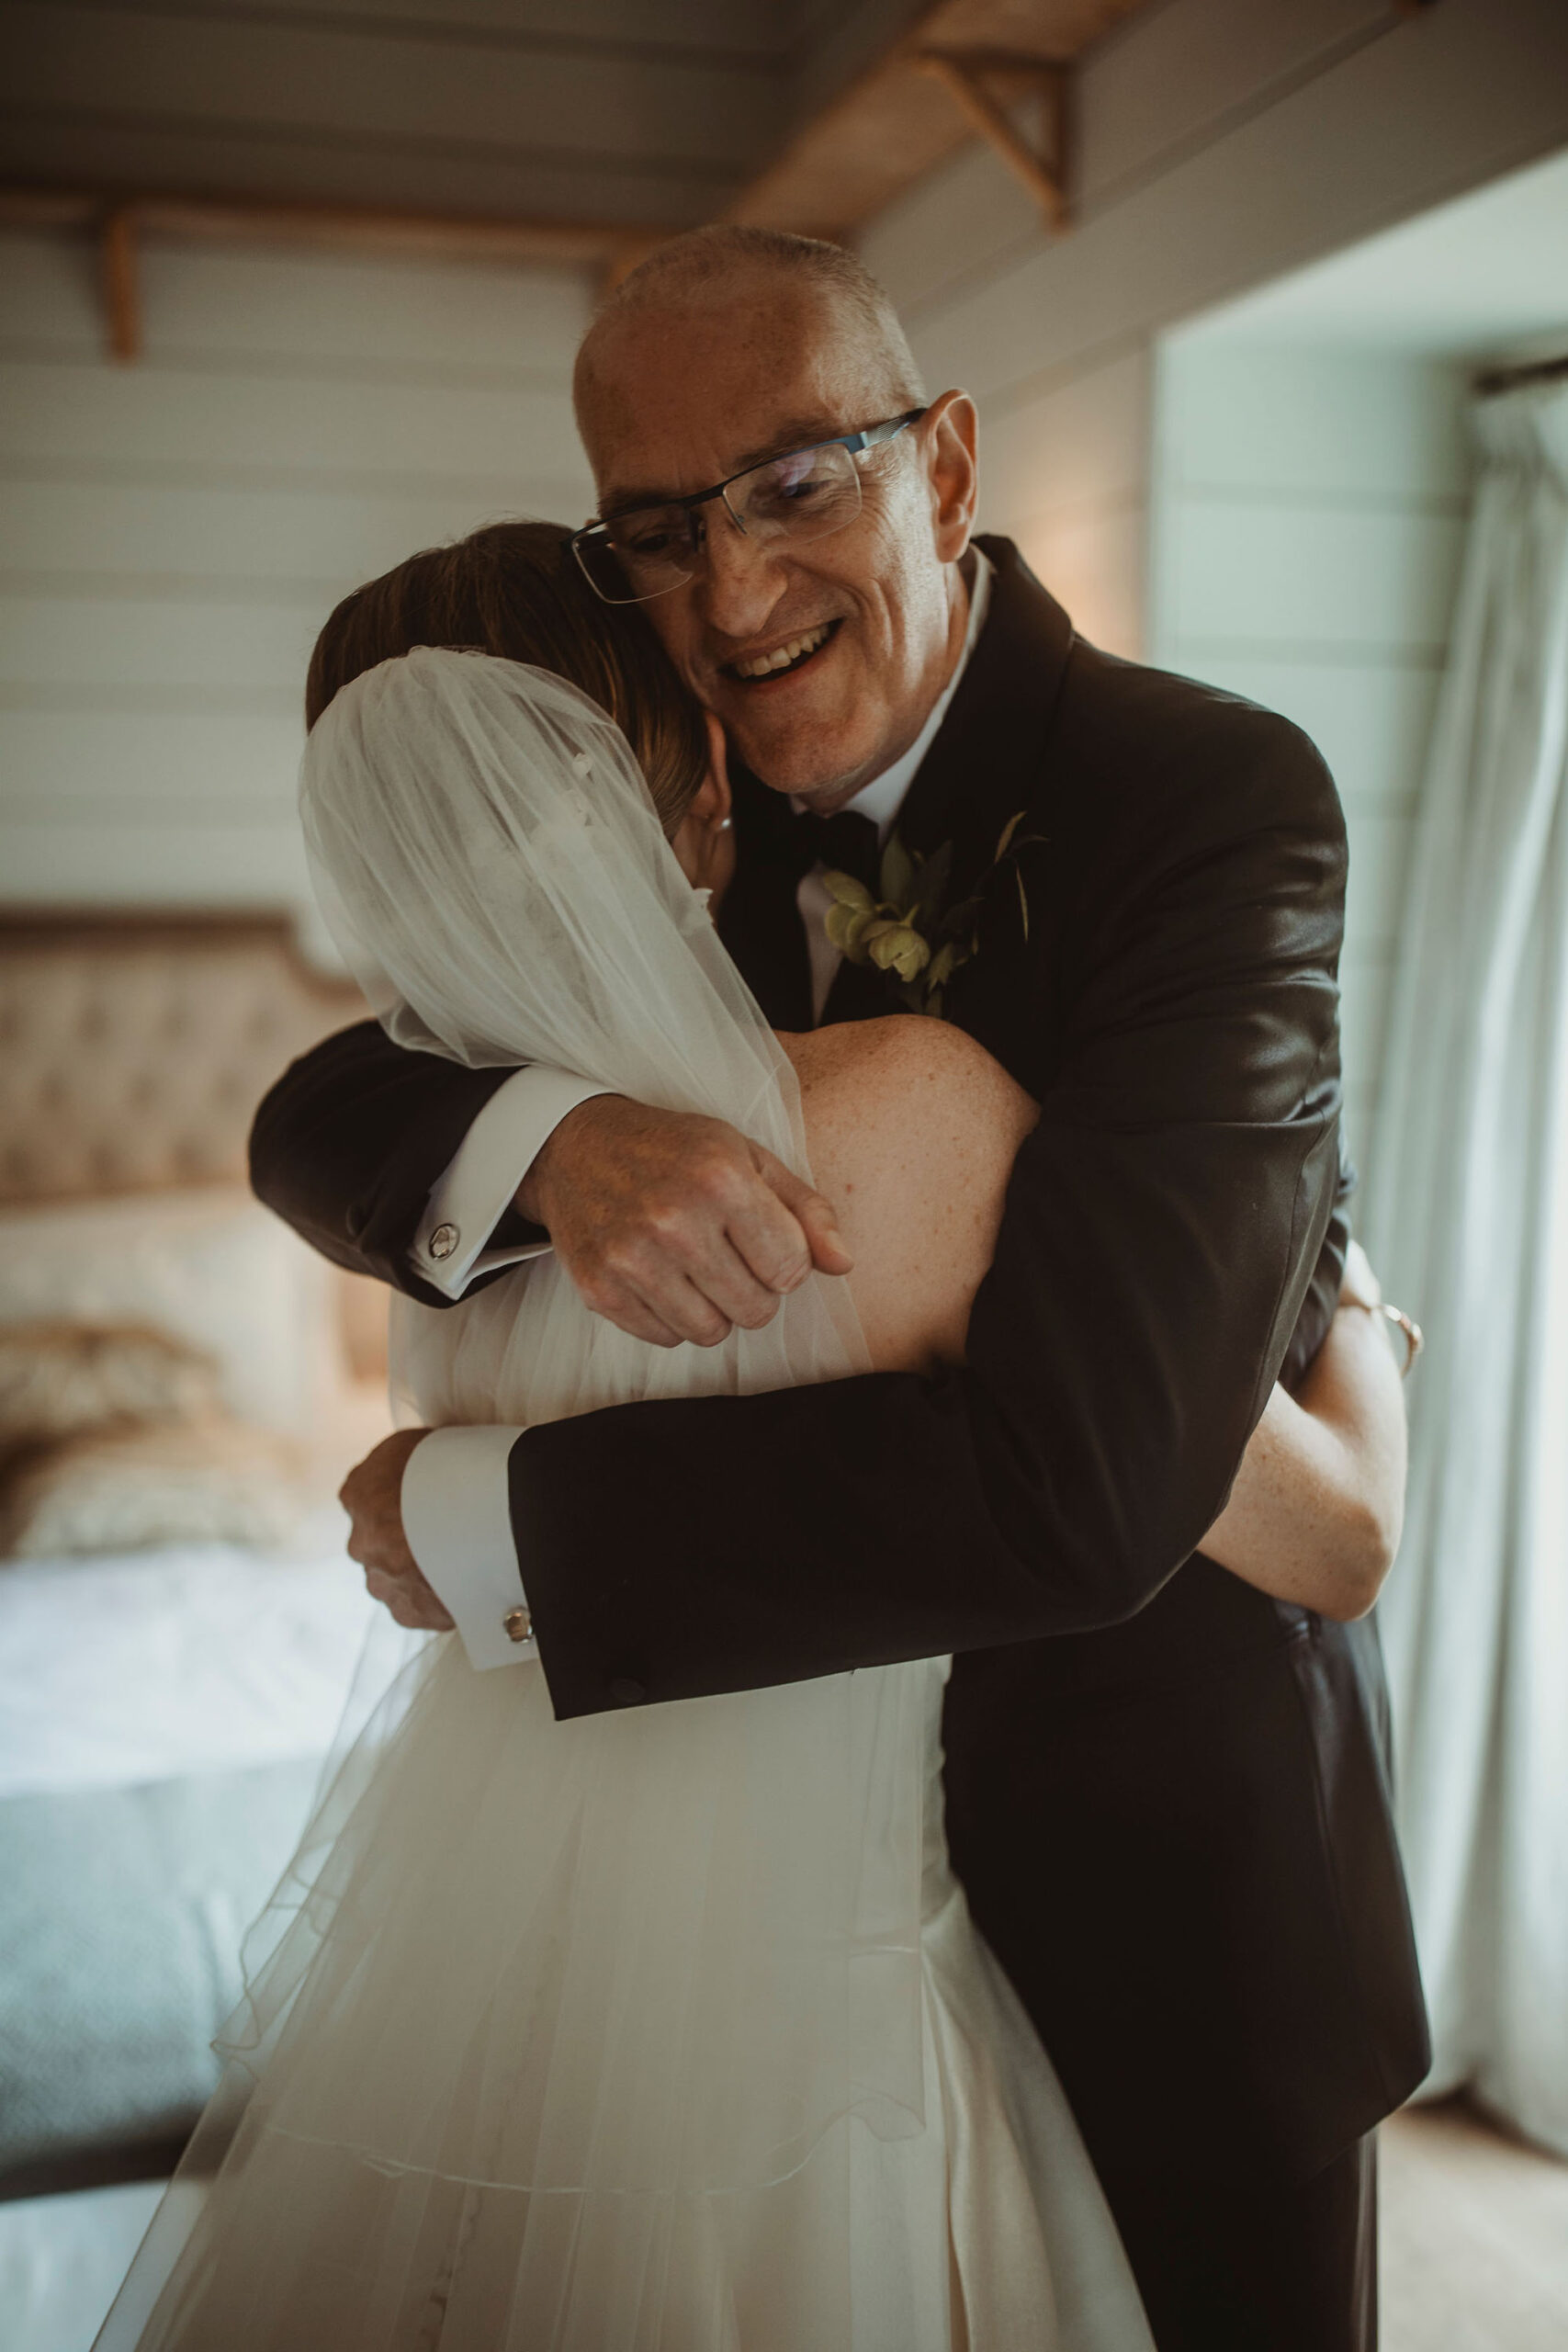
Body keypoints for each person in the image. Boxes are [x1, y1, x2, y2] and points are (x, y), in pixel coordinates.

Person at [251, 231, 1431, 2350]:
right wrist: (546, 1140)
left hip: (1157, 1882)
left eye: (797, 482)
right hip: (750, 1925)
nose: (728, 590)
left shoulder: (1201, 798)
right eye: (656, 526)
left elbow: (1085, 1480)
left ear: (947, 467)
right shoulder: (654, 795)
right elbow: (324, 1096)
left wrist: (488, 1514)